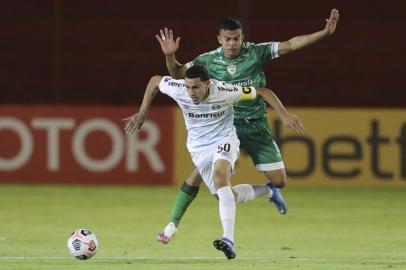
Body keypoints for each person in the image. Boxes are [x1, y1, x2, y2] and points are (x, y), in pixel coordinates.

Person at [155, 9, 339, 243]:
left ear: (242, 37)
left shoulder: (255, 52)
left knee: (279, 180)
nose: (232, 43)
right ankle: (172, 226)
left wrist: (323, 33)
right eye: (228, 39)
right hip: (224, 125)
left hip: (255, 124)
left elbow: (290, 45)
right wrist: (170, 57)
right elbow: (180, 74)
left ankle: (270, 191)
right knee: (205, 181)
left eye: (237, 38)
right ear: (219, 38)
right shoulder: (207, 60)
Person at [122, 65, 304, 259]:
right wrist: (143, 112)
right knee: (226, 196)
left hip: (225, 139)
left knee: (220, 177)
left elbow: (263, 92)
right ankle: (269, 191)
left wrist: (284, 115)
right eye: (188, 87)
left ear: (208, 84)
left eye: (196, 87)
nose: (191, 92)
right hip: (199, 148)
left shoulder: (225, 91)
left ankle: (228, 240)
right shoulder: (178, 88)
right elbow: (155, 81)